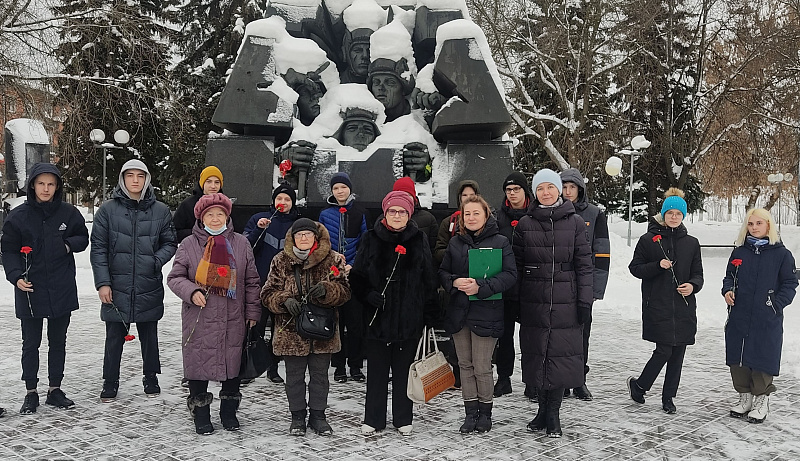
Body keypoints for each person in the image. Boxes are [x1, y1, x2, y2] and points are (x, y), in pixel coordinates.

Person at [167, 193, 262, 434]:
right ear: (201, 218)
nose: (216, 218)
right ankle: (200, 412)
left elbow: (252, 281)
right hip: (200, 317)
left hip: (233, 316)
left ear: (227, 216)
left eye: (220, 214)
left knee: (232, 364)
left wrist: (253, 312)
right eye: (210, 214)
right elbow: (175, 277)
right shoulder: (189, 244)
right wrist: (191, 291)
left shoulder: (241, 243)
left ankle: (229, 412)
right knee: (198, 363)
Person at [1, 163, 89, 414]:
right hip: (30, 288)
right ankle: (31, 391)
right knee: (31, 343)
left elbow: (83, 237)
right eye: (41, 183)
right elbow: (8, 250)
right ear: (32, 185)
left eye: (51, 184)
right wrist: (15, 276)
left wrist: (67, 245)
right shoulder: (18, 216)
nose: (46, 189)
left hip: (61, 286)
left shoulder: (69, 213)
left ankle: (55, 389)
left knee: (58, 341)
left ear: (57, 186)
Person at [350, 191, 439, 436]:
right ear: (385, 213)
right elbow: (357, 276)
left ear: (409, 215)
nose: (397, 215)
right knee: (377, 373)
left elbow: (428, 277)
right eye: (392, 211)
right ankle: (373, 418)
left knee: (404, 373)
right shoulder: (370, 238)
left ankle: (403, 417)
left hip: (408, 318)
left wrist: (430, 313)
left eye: (401, 212)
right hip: (377, 319)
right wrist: (368, 294)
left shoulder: (418, 239)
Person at [90, 159, 178, 401]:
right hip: (116, 284)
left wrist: (155, 261)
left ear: (147, 179)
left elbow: (170, 242)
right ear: (122, 179)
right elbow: (98, 248)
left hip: (147, 283)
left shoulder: (160, 211)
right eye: (130, 175)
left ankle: (151, 377)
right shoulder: (108, 210)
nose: (135, 180)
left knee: (149, 334)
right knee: (114, 336)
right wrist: (103, 283)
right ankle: (110, 381)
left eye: (140, 175)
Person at [515, 169, 592, 438]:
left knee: (559, 357)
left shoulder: (575, 223)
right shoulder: (524, 224)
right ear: (534, 193)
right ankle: (541, 412)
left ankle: (553, 415)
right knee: (538, 355)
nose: (546, 192)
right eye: (540, 188)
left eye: (550, 187)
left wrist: (584, 301)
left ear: (559, 190)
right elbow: (517, 265)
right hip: (534, 300)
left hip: (565, 300)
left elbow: (585, 266)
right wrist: (515, 301)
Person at [260, 218, 350, 436]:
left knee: (320, 377)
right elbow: (267, 293)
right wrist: (284, 300)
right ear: (292, 238)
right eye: (299, 235)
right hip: (291, 332)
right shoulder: (280, 260)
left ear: (315, 237)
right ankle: (297, 417)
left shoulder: (332, 259)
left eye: (308, 234)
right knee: (294, 377)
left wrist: (328, 290)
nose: (303, 238)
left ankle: (318, 416)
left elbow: (345, 291)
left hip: (322, 330)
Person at [439, 196, 516, 433]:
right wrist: (454, 282)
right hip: (459, 312)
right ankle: (470, 413)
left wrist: (481, 287)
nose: (471, 218)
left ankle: (485, 413)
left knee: (482, 366)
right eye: (467, 214)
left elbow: (510, 275)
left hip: (487, 311)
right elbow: (442, 272)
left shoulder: (500, 241)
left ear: (486, 215)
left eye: (476, 213)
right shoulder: (455, 243)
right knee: (464, 365)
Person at [627, 188, 703, 415]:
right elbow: (635, 268)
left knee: (678, 353)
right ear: (663, 214)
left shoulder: (692, 243)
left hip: (683, 307)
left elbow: (698, 274)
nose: (674, 217)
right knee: (664, 350)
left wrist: (692, 286)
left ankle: (668, 397)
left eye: (678, 214)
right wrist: (657, 265)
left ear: (683, 216)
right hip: (658, 305)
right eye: (670, 213)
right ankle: (641, 385)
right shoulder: (648, 240)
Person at [722, 208, 797, 423]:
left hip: (766, 316)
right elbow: (729, 277)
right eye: (750, 224)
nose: (754, 228)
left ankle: (761, 400)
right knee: (739, 356)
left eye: (759, 223)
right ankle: (744, 397)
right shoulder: (739, 252)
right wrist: (728, 291)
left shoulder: (782, 254)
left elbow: (790, 283)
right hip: (740, 314)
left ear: (768, 225)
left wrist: (775, 304)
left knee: (763, 356)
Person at [560, 168, 610, 401]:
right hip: (560, 284)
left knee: (582, 334)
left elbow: (602, 254)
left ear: (580, 189)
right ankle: (561, 380)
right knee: (561, 336)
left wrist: (596, 289)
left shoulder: (594, 214)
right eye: (564, 187)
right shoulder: (553, 212)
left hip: (584, 285)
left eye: (572, 187)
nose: (568, 191)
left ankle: (579, 380)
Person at [243, 182, 301, 384]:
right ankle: (251, 366)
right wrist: (258, 230)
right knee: (256, 327)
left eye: (287, 199)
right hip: (261, 283)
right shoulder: (259, 219)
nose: (282, 202)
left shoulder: (299, 224)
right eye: (279, 198)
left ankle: (273, 367)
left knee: (280, 328)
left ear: (293, 203)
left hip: (286, 287)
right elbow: (246, 247)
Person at [319, 172, 368, 383]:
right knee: (336, 323)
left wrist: (352, 265)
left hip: (353, 275)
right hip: (333, 275)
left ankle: (355, 366)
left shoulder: (360, 212)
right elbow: (321, 242)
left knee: (356, 324)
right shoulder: (325, 214)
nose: (340, 191)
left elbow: (365, 243)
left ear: (350, 189)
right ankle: (338, 366)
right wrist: (333, 261)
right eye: (336, 188)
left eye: (343, 187)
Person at [433, 179, 481, 389]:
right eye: (464, 196)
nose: (467, 199)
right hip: (456, 283)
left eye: (471, 195)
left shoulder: (486, 220)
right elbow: (438, 251)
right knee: (457, 332)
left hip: (479, 283)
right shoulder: (448, 222)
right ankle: (458, 372)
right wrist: (459, 252)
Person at [493, 172, 532, 399]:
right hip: (505, 286)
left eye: (516, 189)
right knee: (504, 336)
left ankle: (531, 380)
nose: (512, 193)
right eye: (508, 190)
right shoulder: (498, 217)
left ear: (525, 191)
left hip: (530, 285)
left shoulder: (536, 214)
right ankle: (504, 378)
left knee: (530, 337)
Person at [173, 166, 223, 242]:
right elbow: (175, 232)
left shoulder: (225, 205)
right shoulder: (187, 205)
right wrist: (197, 233)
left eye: (217, 182)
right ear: (202, 183)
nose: (213, 186)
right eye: (209, 182)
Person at [392, 177, 438, 252]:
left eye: (407, 196)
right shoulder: (384, 220)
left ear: (414, 197)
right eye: (400, 196)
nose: (404, 200)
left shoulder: (428, 219)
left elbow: (433, 250)